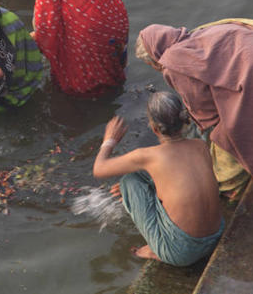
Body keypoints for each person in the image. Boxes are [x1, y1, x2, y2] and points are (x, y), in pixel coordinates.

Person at [135, 18, 253, 198]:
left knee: (234, 135)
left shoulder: (172, 65)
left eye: (151, 64)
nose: (156, 67)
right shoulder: (197, 33)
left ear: (155, 56)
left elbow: (207, 113)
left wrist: (212, 133)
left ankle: (235, 183)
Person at [93, 92, 224, 266]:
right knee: (146, 175)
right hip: (216, 235)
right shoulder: (200, 146)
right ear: (183, 120)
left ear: (154, 128)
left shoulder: (148, 156)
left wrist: (109, 140)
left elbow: (99, 168)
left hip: (182, 253)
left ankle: (156, 248)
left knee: (129, 181)